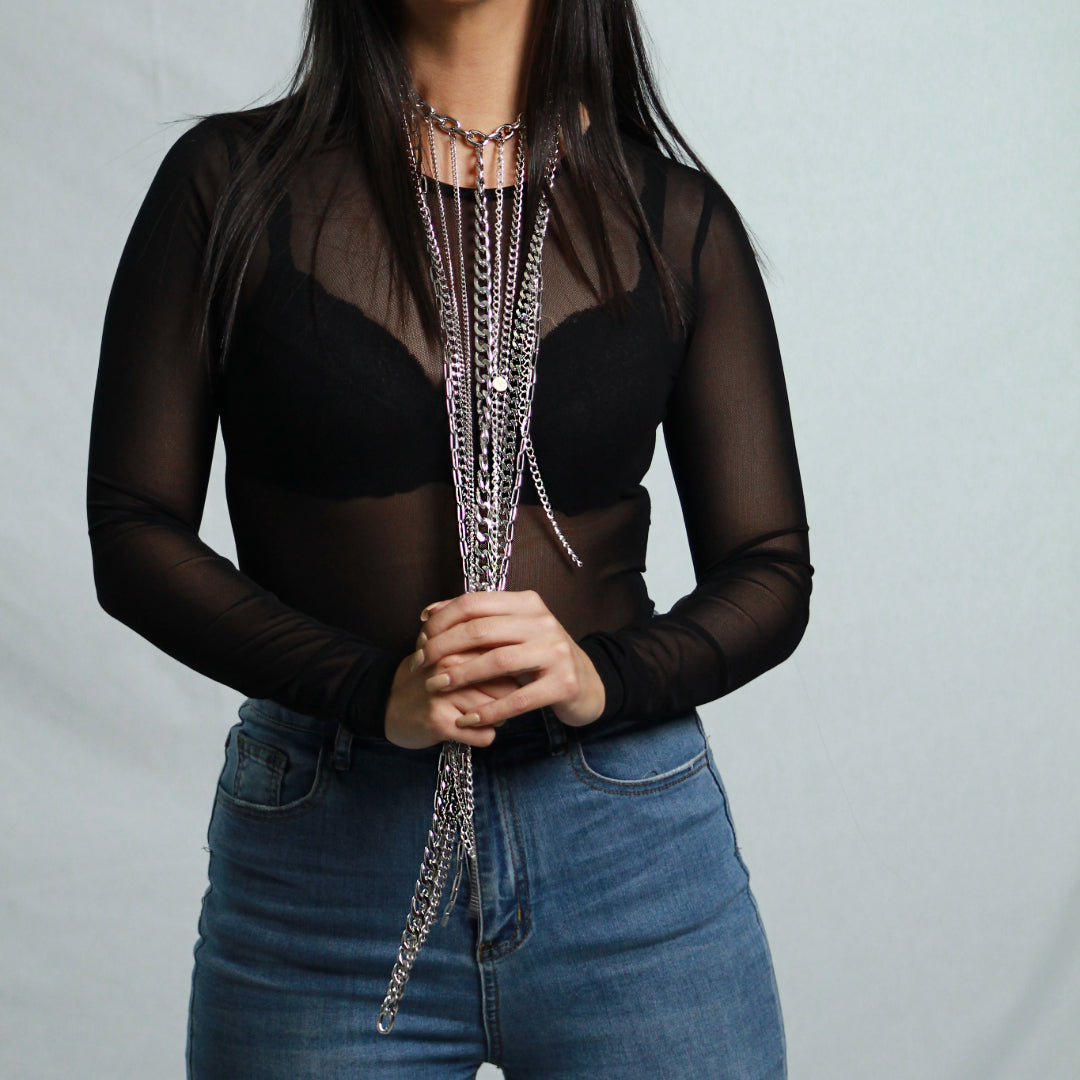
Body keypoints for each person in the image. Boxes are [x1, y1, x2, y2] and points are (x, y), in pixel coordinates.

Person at [87, 0, 813, 1075]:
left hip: (630, 858)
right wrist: (368, 688)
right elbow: (132, 529)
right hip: (324, 865)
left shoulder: (674, 216)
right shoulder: (230, 181)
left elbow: (770, 569)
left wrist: (601, 676)